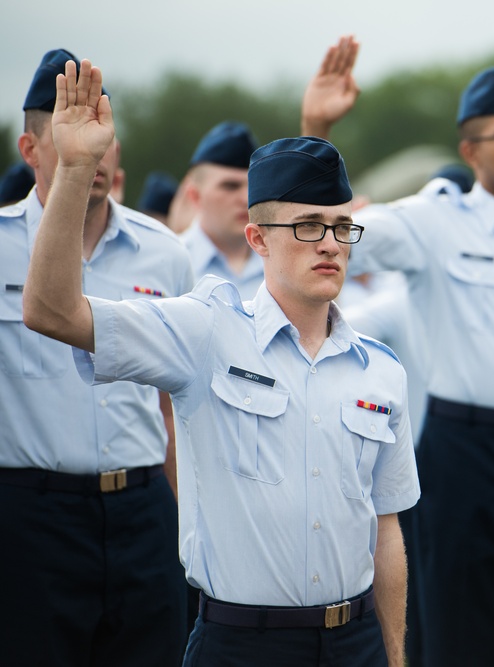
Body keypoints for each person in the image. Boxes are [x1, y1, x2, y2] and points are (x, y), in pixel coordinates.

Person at [22, 58, 419, 667]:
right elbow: (52, 311)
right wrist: (76, 167)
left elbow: (386, 533)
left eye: (342, 228)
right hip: (244, 645)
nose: (332, 245)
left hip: (357, 642)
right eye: (310, 226)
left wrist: (393, 659)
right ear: (257, 238)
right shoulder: (205, 330)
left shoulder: (380, 371)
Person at [302, 54, 494, 665]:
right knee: (456, 633)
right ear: (470, 151)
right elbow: (330, 233)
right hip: (463, 452)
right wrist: (317, 133)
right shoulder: (434, 221)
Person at [0, 49, 191, 666]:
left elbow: (174, 409)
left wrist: (186, 516)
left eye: (103, 135)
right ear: (32, 151)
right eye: (69, 133)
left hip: (142, 510)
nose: (96, 154)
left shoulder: (163, 253)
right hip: (31, 515)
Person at [180, 121, 263, 299]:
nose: (247, 199)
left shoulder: (282, 263)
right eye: (230, 186)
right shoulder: (172, 261)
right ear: (194, 195)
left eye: (254, 186)